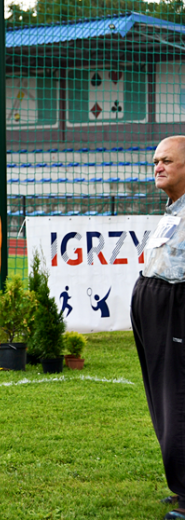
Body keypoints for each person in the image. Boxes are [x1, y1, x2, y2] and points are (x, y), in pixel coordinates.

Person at [131, 135, 185, 520]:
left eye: (166, 160)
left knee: (179, 399)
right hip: (154, 307)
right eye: (154, 161)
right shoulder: (172, 210)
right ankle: (181, 482)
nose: (158, 167)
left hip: (175, 310)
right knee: (163, 399)